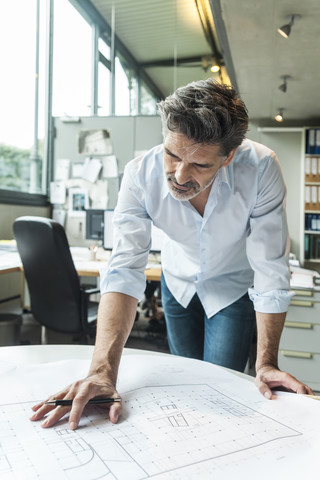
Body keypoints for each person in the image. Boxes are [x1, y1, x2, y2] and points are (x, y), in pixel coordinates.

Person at [30, 79, 313, 430]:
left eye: (200, 166)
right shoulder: (139, 174)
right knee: (186, 378)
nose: (179, 175)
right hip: (176, 282)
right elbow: (123, 270)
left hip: (232, 285)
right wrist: (102, 372)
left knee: (220, 383)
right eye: (173, 154)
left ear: (229, 157)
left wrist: (267, 362)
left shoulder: (260, 168)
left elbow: (271, 267)